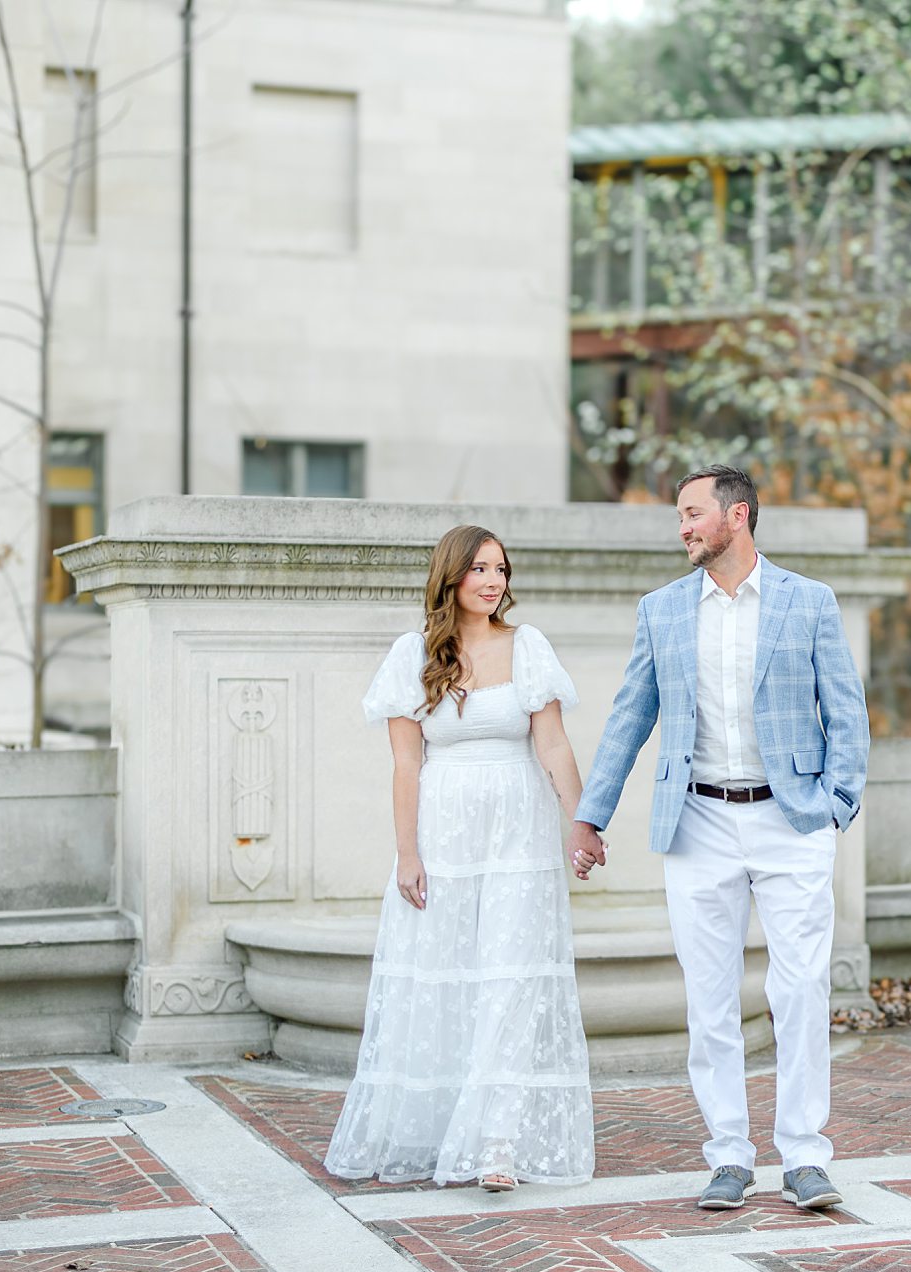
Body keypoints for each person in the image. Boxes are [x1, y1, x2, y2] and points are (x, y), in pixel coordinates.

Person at [568, 465, 869, 1213]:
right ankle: (729, 1154)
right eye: (681, 517)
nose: (684, 528)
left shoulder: (809, 602)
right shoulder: (663, 610)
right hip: (697, 820)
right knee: (710, 997)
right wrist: (590, 814)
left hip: (791, 819)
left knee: (798, 988)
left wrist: (835, 804)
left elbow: (849, 713)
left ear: (738, 516)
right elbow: (629, 717)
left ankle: (804, 1156)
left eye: (693, 514)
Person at [325, 524, 595, 1191]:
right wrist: (407, 853)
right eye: (479, 568)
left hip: (519, 834)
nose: (493, 580)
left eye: (501, 568)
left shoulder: (527, 647)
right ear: (452, 575)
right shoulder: (410, 655)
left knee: (511, 979)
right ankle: (445, 1123)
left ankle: (498, 1141)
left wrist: (582, 822)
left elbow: (554, 746)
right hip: (444, 833)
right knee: (440, 976)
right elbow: (405, 763)